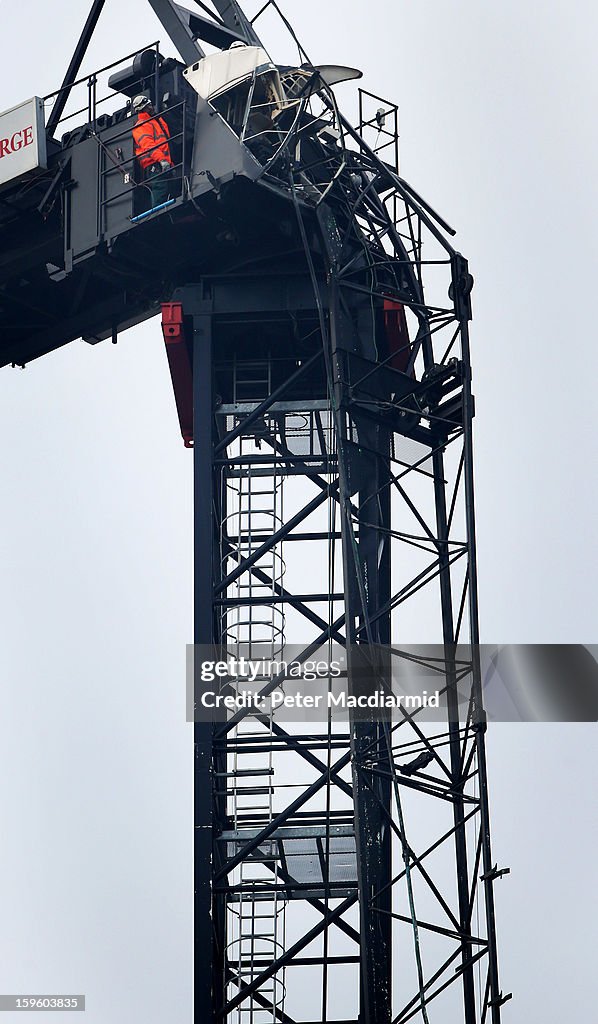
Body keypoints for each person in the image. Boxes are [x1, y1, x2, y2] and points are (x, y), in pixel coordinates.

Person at [131, 94, 173, 208]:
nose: (151, 107)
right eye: (148, 105)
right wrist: (162, 160)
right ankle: (158, 216)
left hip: (162, 162)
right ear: (142, 109)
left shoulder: (155, 121)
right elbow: (148, 146)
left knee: (167, 188)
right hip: (155, 164)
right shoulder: (141, 126)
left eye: (150, 104)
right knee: (160, 189)